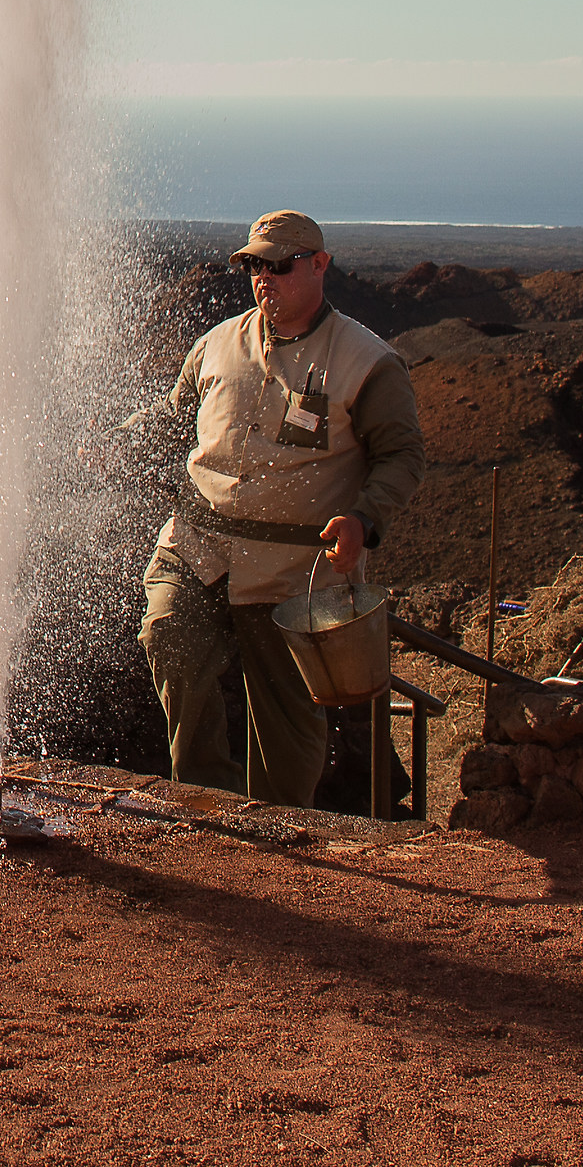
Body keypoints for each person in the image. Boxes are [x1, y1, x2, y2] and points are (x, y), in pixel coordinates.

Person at [124, 209, 425, 808]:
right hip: (197, 547)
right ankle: (205, 806)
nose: (265, 278)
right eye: (255, 266)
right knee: (167, 635)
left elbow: (401, 456)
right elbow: (174, 419)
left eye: (281, 266)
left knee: (287, 718)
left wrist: (363, 520)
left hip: (295, 570)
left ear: (319, 265)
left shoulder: (366, 362)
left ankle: (276, 831)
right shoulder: (215, 345)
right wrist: (122, 440)